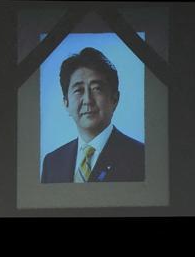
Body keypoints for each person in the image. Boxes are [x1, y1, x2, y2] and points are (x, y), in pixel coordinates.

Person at [41, 47, 144, 183]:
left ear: (114, 99)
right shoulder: (52, 162)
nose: (88, 100)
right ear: (66, 103)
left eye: (97, 89)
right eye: (78, 90)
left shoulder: (141, 157)